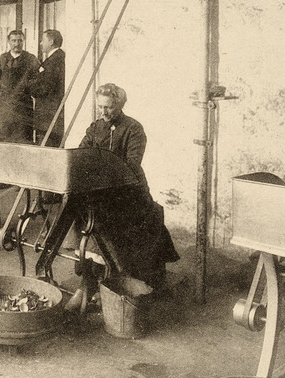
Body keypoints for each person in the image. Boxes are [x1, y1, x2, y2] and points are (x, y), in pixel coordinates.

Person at [73, 83, 179, 301]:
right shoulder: (95, 128)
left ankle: (113, 277)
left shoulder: (133, 129)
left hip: (130, 191)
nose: (103, 112)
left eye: (109, 107)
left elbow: (131, 165)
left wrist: (100, 170)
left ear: (120, 105)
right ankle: (90, 279)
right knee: (79, 213)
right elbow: (81, 154)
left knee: (113, 219)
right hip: (100, 189)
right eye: (100, 106)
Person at [0, 30, 39, 143]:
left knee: (24, 136)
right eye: (14, 41)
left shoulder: (31, 58)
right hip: (6, 105)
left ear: (23, 41)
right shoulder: (3, 58)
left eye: (20, 40)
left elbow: (38, 77)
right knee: (6, 135)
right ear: (9, 42)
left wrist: (28, 86)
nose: (17, 44)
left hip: (24, 106)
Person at [29, 30, 65, 148]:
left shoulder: (54, 61)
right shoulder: (57, 58)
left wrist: (31, 88)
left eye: (43, 40)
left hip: (48, 117)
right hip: (50, 116)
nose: (40, 43)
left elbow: (44, 88)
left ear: (51, 42)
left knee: (47, 149)